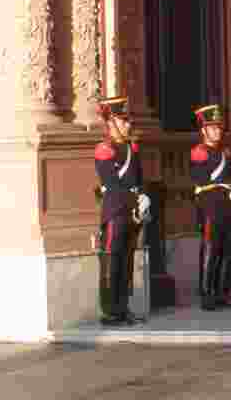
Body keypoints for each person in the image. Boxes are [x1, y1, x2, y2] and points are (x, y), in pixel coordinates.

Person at [94, 96, 151, 326]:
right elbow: (113, 184)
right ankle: (110, 311)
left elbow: (139, 178)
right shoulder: (104, 150)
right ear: (111, 122)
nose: (129, 125)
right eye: (123, 120)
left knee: (127, 261)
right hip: (115, 211)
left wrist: (143, 195)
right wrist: (136, 196)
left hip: (131, 212)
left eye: (128, 121)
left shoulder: (131, 148)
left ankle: (123, 307)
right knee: (112, 260)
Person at [190, 104, 231, 311]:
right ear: (203, 130)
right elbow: (200, 180)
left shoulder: (225, 153)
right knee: (211, 250)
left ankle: (224, 293)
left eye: (219, 127)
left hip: (227, 206)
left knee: (228, 250)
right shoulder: (199, 152)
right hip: (210, 206)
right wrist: (224, 186)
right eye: (212, 127)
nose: (217, 131)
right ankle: (207, 295)